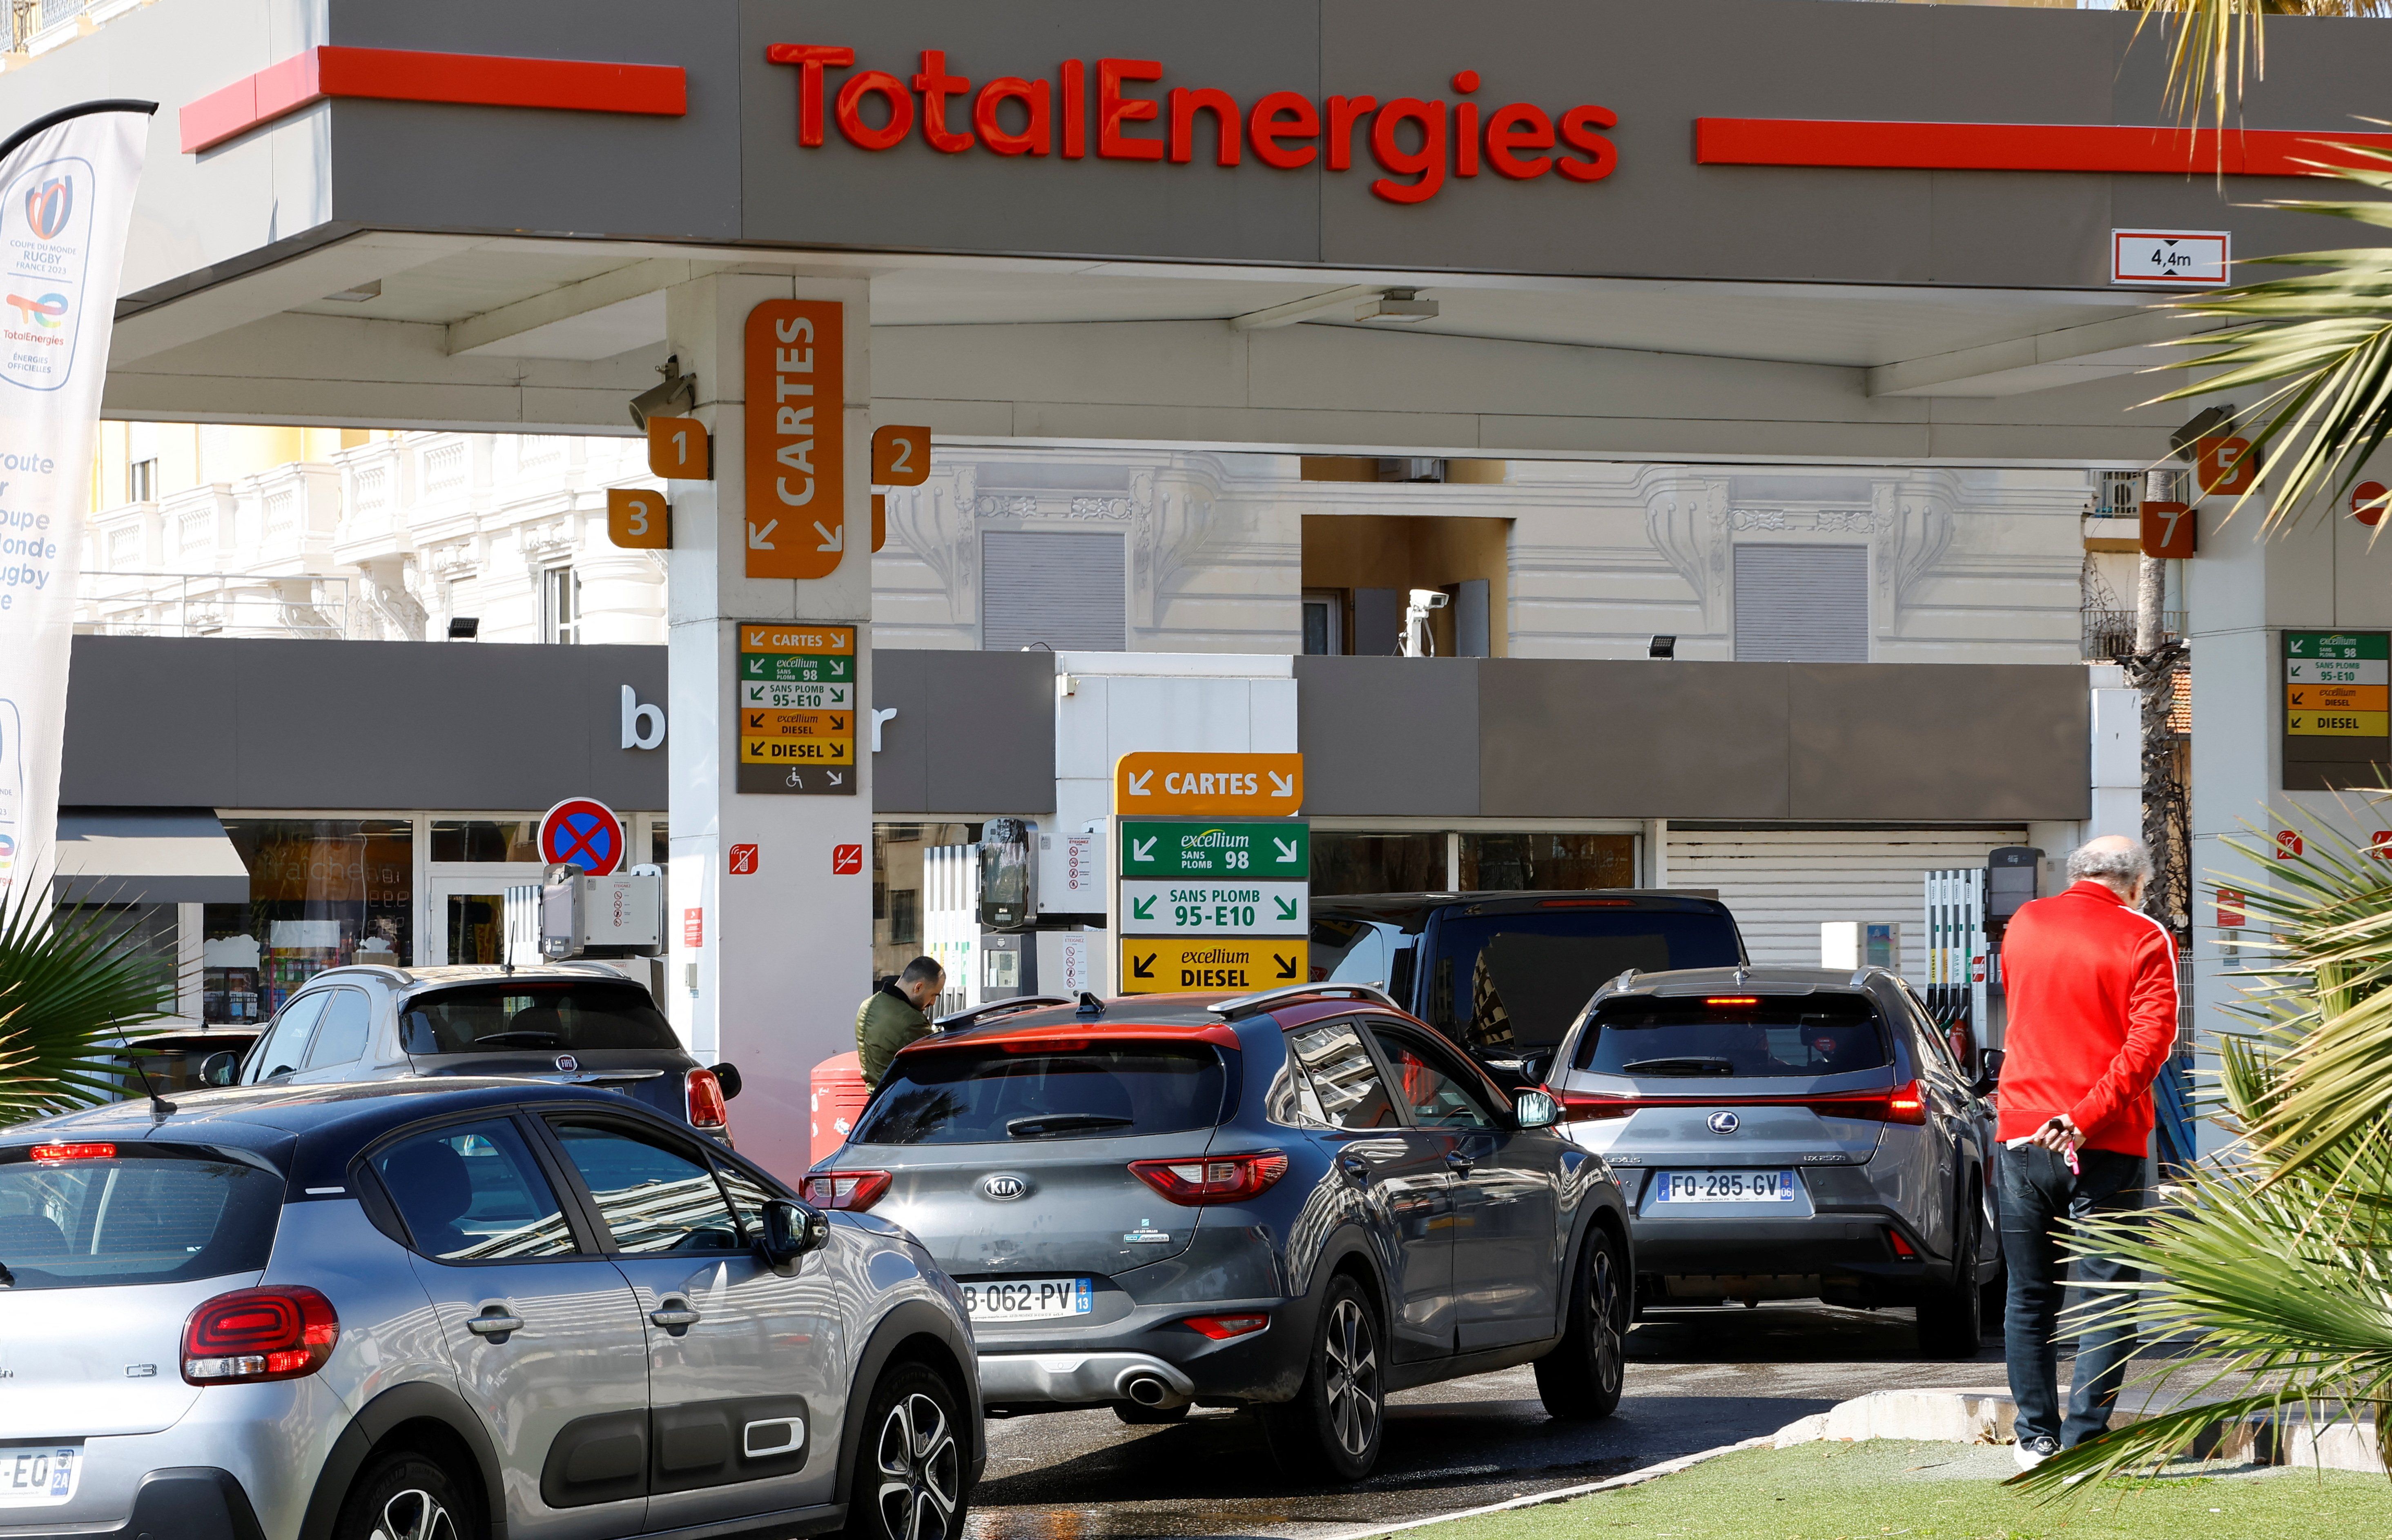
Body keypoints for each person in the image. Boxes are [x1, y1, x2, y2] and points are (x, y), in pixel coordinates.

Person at [1994, 835, 2178, 1470]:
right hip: (2104, 1139)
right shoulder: (2144, 935)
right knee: (2107, 1295)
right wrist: (2084, 1116)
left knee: (2029, 1295)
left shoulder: (2024, 923)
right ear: (2135, 882)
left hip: (2020, 1134)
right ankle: (2086, 1438)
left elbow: (2028, 1011)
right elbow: (2150, 1045)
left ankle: (2033, 1437)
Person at [856, 955, 944, 1089]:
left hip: (876, 1100)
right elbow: (936, 1065)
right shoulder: (912, 1020)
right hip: (904, 1099)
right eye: (934, 995)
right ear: (918, 988)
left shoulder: (868, 1005)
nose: (933, 1003)